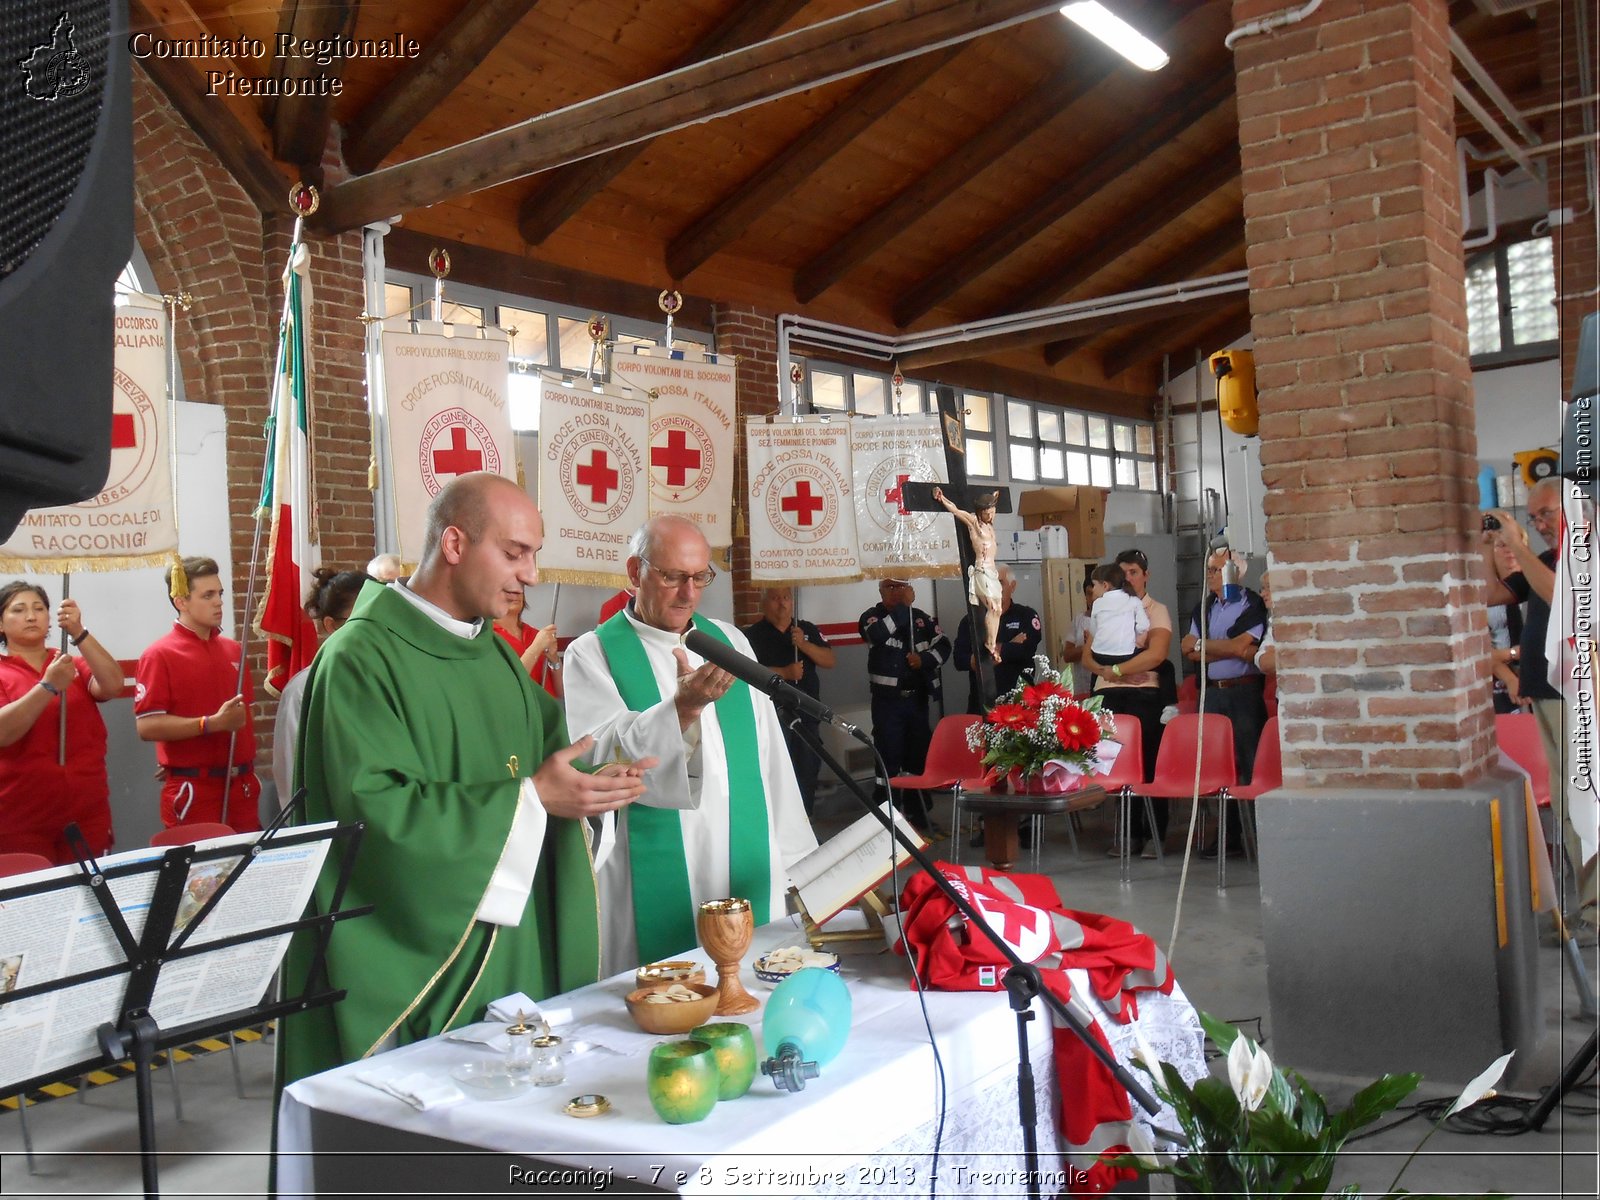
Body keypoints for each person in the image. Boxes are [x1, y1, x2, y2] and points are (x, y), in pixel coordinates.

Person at [278, 473, 651, 1085]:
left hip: (511, 941)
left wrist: (593, 790)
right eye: (514, 553)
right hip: (424, 958)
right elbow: (374, 817)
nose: (531, 575)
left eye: (534, 553)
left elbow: (555, 764)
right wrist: (531, 801)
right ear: (453, 544)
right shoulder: (359, 660)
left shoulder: (496, 655)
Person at [564, 516, 818, 975]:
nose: (689, 593)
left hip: (744, 847)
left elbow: (769, 758)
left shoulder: (730, 641)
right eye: (672, 576)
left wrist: (800, 861)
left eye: (700, 577)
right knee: (666, 994)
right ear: (633, 571)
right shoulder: (591, 653)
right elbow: (598, 754)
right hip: (653, 856)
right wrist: (680, 711)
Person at [1483, 480, 1597, 938]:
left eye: (1547, 514)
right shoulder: (1551, 559)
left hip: (1580, 697)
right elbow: (1493, 594)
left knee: (1587, 803)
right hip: (1550, 698)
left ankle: (1596, 910)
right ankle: (1589, 904)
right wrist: (1486, 543)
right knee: (1571, 807)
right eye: (1534, 519)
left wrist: (1516, 543)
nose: (1541, 525)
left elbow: (1565, 602)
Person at [135, 557, 262, 832]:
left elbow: (244, 722)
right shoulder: (159, 654)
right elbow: (146, 726)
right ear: (181, 601)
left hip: (242, 786)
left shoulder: (233, 650)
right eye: (207, 595)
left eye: (220, 594)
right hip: (196, 790)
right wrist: (210, 724)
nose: (218, 602)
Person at [0, 582, 122, 863]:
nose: (31, 616)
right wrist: (47, 686)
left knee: (90, 899)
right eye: (19, 610)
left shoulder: (71, 664)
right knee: (35, 902)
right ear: (1, 624)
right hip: (21, 818)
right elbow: (4, 733)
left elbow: (113, 686)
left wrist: (79, 632)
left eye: (39, 608)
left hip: (86, 811)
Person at [1082, 549, 1173, 858]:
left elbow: (1156, 654)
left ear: (1145, 575)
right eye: (1123, 574)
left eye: (1134, 572)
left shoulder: (1154, 610)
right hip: (1108, 693)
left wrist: (1119, 670)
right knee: (1116, 764)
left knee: (1147, 763)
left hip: (1144, 694)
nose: (1128, 578)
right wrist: (1112, 672)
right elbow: (1088, 655)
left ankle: (1153, 834)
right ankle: (1128, 833)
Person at [1182, 548, 1269, 857]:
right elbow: (1187, 649)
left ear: (1235, 573)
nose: (1209, 575)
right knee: (1218, 765)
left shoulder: (1252, 604)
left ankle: (1262, 840)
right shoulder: (1203, 607)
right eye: (1209, 570)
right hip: (1213, 692)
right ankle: (1227, 837)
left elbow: (1240, 646)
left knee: (1250, 764)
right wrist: (1218, 648)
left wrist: (1206, 646)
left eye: (1216, 570)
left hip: (1243, 692)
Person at [270, 568, 369, 808]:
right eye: (364, 619)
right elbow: (291, 774)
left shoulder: (394, 676)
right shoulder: (304, 689)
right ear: (331, 626)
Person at [859, 577, 951, 834]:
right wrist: (903, 608)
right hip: (888, 704)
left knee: (917, 759)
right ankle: (887, 818)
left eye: (901, 586)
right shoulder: (871, 617)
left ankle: (919, 814)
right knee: (888, 758)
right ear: (880, 590)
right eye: (890, 587)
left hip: (917, 701)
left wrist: (924, 660)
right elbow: (876, 636)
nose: (896, 591)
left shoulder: (922, 618)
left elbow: (944, 646)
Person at [740, 587, 836, 817]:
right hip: (773, 714)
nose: (782, 604)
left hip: (807, 712)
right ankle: (780, 824)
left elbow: (829, 660)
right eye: (774, 598)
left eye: (786, 598)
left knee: (807, 767)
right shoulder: (751, 635)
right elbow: (745, 672)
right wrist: (783, 672)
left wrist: (803, 645)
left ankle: (805, 821)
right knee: (777, 770)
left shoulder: (806, 629)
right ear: (763, 604)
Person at [952, 564, 1041, 711]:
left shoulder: (1026, 615)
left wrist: (983, 656)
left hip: (1019, 704)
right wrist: (1009, 645)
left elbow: (1026, 650)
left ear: (1012, 587)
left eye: (999, 582)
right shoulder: (970, 621)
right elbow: (959, 660)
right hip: (982, 705)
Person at [932, 486, 1002, 661]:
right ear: (980, 512)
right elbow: (955, 510)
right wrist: (942, 498)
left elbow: (994, 500)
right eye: (987, 513)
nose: (991, 516)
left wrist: (994, 497)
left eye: (993, 512)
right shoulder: (974, 523)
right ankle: (991, 645)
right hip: (982, 570)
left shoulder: (989, 525)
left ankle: (992, 642)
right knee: (992, 607)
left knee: (998, 609)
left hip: (992, 572)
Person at [495, 590, 562, 697]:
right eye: (506, 589)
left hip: (543, 710)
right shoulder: (488, 637)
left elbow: (561, 691)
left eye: (519, 587)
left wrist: (554, 659)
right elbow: (508, 687)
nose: (515, 592)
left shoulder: (536, 634)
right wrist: (536, 648)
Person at [1086, 562, 1150, 670]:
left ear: (1105, 585)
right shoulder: (1134, 601)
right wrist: (1135, 634)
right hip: (1125, 655)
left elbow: (1093, 630)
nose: (1093, 589)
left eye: (1095, 585)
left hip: (1099, 655)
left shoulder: (1097, 603)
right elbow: (1144, 626)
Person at [1059, 577, 1097, 696]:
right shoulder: (1078, 620)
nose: (1093, 599)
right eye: (1089, 594)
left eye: (1096, 594)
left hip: (1102, 684)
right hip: (1081, 687)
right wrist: (1085, 647)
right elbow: (1067, 656)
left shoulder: (1111, 620)